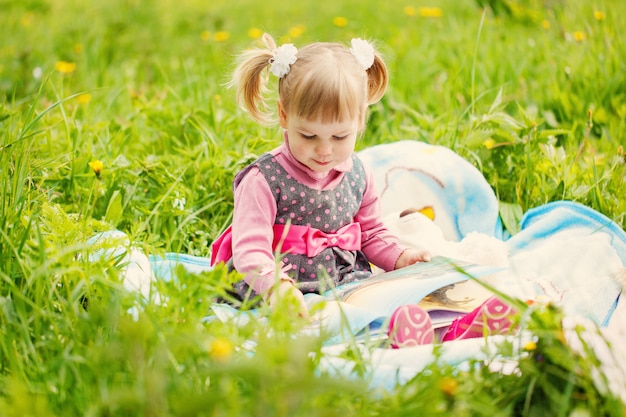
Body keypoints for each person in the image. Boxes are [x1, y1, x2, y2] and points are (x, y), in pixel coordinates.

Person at [210, 33, 431, 317]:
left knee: (381, 304)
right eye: (309, 135)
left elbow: (372, 234)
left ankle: (413, 328)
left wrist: (401, 258)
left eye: (339, 136)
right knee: (315, 320)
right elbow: (250, 249)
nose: (324, 150)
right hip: (275, 290)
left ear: (361, 119)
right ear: (284, 115)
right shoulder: (264, 179)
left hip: (342, 282)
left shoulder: (358, 175)